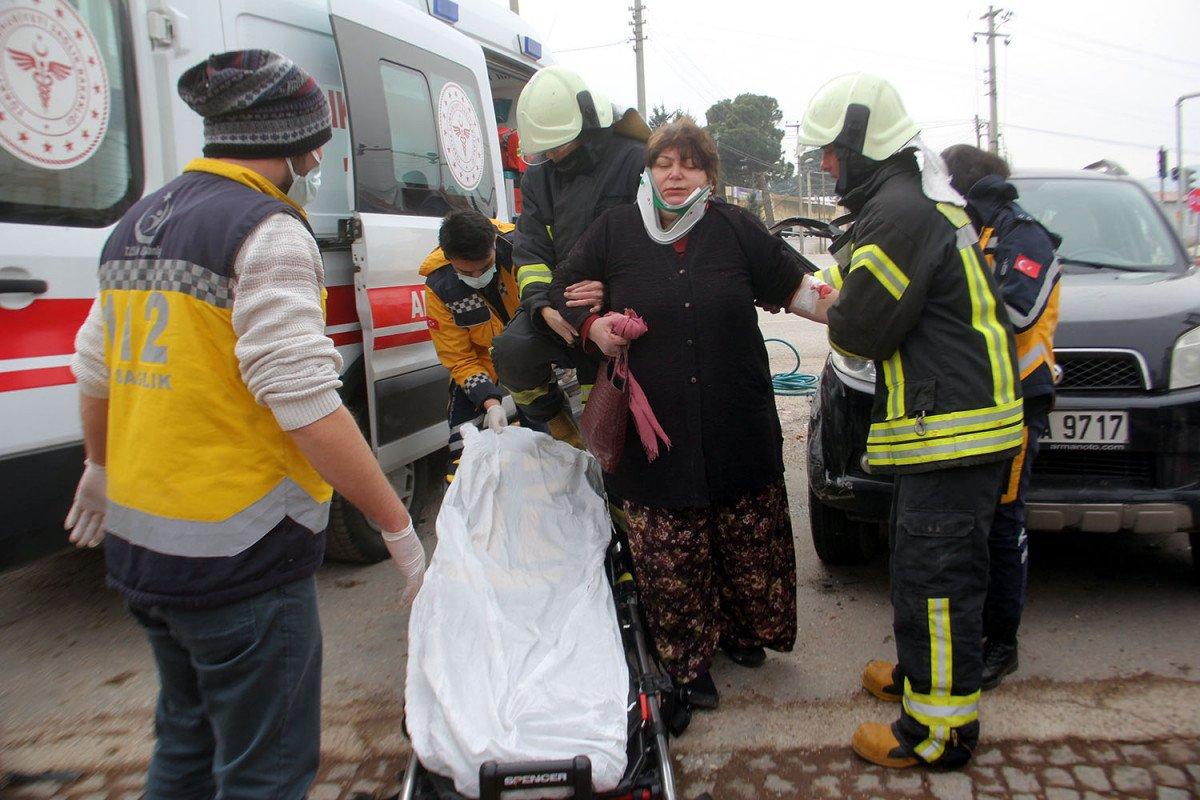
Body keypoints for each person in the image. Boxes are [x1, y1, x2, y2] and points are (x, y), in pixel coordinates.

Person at [63, 50, 425, 800]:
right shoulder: (267, 231)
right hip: (239, 559)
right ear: (294, 143)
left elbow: (95, 367)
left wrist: (98, 466)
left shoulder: (138, 221)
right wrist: (396, 527)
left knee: (186, 747)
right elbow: (305, 404)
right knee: (264, 771)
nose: (319, 154)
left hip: (143, 551)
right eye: (316, 140)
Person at [549, 118, 835, 710]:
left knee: (742, 536)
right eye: (663, 163)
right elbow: (561, 292)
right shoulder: (614, 230)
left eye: (690, 164)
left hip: (736, 416)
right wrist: (592, 327)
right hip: (657, 432)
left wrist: (869, 315)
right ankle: (687, 661)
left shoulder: (736, 229)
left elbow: (801, 289)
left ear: (709, 174)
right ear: (648, 171)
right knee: (671, 552)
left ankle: (741, 633)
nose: (675, 175)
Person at [796, 73, 1022, 769]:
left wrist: (810, 299)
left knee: (936, 578)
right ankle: (923, 677)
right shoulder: (910, 201)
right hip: (953, 428)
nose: (827, 164)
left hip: (954, 431)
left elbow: (861, 330)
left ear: (863, 143)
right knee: (924, 566)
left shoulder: (897, 214)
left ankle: (937, 732)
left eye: (833, 151)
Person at [942, 144, 1061, 690]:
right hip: (974, 399)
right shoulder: (978, 232)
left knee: (1002, 524)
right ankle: (970, 633)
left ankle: (1001, 641)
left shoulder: (1023, 235)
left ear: (965, 188)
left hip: (1017, 404)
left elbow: (1014, 310)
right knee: (970, 525)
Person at [490, 66, 650, 447]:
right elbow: (529, 251)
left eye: (558, 145)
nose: (552, 156)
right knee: (512, 350)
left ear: (588, 125)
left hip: (624, 309)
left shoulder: (636, 161)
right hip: (560, 306)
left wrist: (610, 290)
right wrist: (545, 307)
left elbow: (654, 244)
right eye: (545, 149)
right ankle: (561, 428)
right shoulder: (540, 177)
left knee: (611, 410)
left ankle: (613, 460)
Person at [420, 209, 544, 480]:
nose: (477, 275)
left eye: (485, 266)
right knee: (463, 449)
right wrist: (490, 402)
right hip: (481, 364)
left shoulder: (520, 251)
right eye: (466, 271)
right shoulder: (441, 286)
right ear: (448, 257)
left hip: (531, 356)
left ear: (494, 246)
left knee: (544, 439)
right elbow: (459, 358)